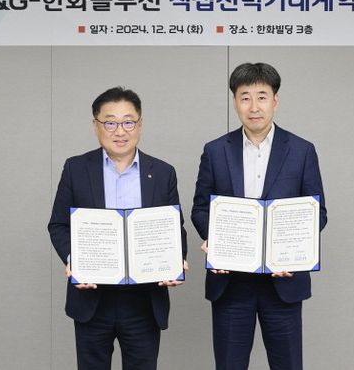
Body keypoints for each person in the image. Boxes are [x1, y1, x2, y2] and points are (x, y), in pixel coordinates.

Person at [191, 63, 327, 370]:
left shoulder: (302, 150)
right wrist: (215, 240)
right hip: (230, 282)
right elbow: (200, 208)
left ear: (275, 101)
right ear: (235, 102)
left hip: (283, 282)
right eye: (245, 97)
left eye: (262, 97)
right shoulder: (215, 150)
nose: (254, 107)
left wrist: (292, 252)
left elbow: (317, 212)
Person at [48, 86, 187, 370]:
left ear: (140, 124)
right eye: (110, 123)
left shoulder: (163, 172)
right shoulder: (76, 168)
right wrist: (75, 260)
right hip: (92, 298)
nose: (120, 131)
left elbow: (175, 227)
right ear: (95, 125)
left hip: (144, 301)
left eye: (128, 122)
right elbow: (58, 224)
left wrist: (176, 260)